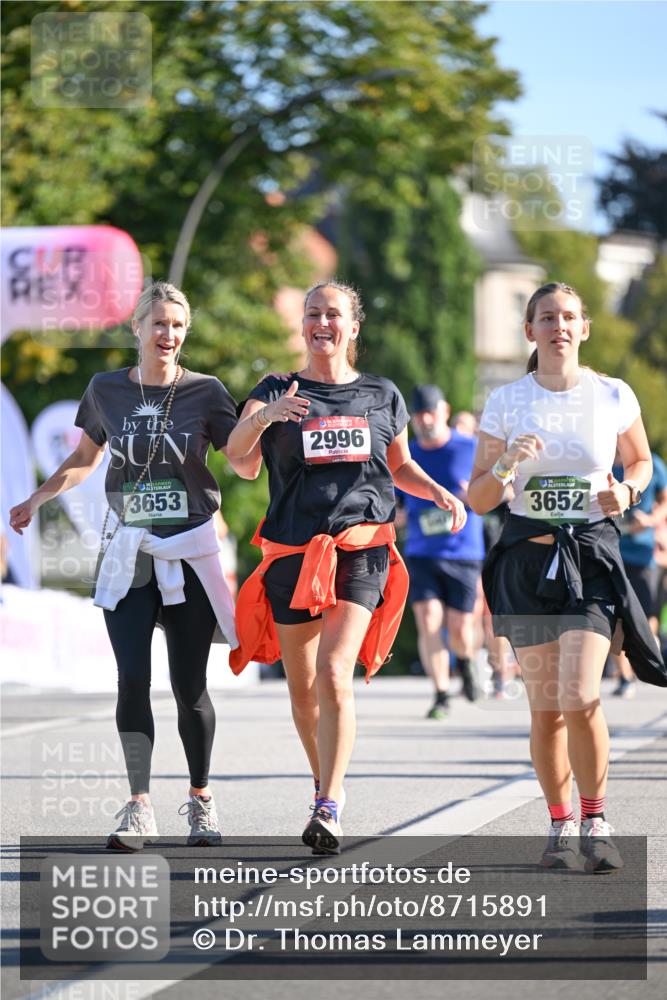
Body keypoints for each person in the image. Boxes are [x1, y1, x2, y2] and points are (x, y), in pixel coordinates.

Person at [9, 281, 260, 850]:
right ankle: (140, 805)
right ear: (137, 330)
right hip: (127, 551)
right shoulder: (105, 390)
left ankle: (200, 799)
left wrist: (262, 423)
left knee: (190, 685)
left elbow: (242, 463)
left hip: (191, 551)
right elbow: (83, 458)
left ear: (185, 332)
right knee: (132, 682)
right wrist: (36, 498)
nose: (167, 335)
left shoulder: (207, 391)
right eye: (158, 324)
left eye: (176, 325)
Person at [225, 281, 466, 853]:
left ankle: (328, 804)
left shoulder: (382, 394)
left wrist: (437, 494)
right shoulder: (274, 389)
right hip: (291, 552)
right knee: (303, 689)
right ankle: (322, 778)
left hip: (361, 549)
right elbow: (238, 461)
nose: (321, 323)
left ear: (353, 327)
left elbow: (399, 465)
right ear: (303, 324)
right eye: (312, 314)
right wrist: (269, 416)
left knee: (335, 671)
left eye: (333, 314)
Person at [468, 281, 666, 874]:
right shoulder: (507, 400)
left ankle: (596, 818)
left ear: (583, 329)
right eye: (546, 317)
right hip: (527, 557)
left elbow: (641, 460)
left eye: (569, 317)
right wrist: (507, 464)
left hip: (591, 554)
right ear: (529, 331)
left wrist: (626, 490)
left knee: (581, 695)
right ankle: (559, 824)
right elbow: (479, 498)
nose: (558, 326)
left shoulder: (611, 394)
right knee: (546, 708)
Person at [398, 385, 485, 718]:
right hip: (422, 551)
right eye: (419, 414)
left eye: (430, 412)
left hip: (464, 551)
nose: (425, 419)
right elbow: (399, 503)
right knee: (429, 620)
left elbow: (499, 492)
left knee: (461, 627)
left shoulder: (471, 448)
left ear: (445, 411)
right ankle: (440, 693)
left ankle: (465, 662)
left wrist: (474, 497)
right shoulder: (407, 455)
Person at [610, 449, 667, 697]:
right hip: (608, 551)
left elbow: (665, 499)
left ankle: (648, 661)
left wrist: (653, 519)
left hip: (643, 554)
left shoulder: (650, 463)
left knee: (646, 616)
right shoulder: (599, 458)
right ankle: (625, 677)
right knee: (615, 618)